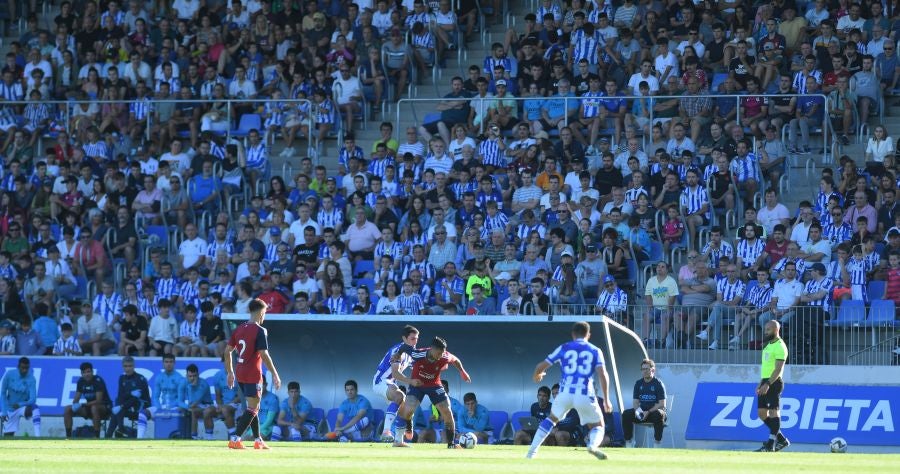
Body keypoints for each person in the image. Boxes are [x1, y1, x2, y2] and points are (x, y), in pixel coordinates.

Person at [526, 321, 611, 461]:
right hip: (585, 393)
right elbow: (603, 374)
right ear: (588, 335)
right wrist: (606, 399)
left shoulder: (564, 347)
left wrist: (537, 375)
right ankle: (592, 445)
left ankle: (531, 453)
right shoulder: (595, 350)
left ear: (573, 334)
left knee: (551, 419)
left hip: (565, 393)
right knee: (598, 425)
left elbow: (540, 366)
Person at [391, 336, 472, 448]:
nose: (440, 356)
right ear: (432, 349)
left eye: (442, 353)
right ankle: (404, 431)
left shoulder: (444, 356)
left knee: (447, 411)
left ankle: (451, 444)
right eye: (439, 353)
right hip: (417, 384)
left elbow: (455, 360)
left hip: (434, 385)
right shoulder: (418, 354)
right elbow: (405, 347)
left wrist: (462, 372)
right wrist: (398, 354)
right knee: (408, 410)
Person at [224, 299, 283, 450]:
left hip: (240, 372)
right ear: (261, 312)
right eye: (265, 313)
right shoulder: (260, 330)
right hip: (252, 373)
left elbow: (227, 351)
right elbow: (264, 354)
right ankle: (235, 439)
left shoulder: (239, 329)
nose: (264, 316)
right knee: (253, 408)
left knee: (253, 407)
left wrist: (230, 372)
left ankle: (258, 440)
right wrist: (275, 373)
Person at [372, 325, 419, 442]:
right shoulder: (397, 351)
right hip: (381, 381)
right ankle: (386, 431)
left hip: (392, 384)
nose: (415, 341)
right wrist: (411, 381)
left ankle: (399, 441)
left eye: (417, 338)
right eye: (412, 338)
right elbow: (396, 373)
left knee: (406, 410)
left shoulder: (412, 354)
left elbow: (417, 370)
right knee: (399, 395)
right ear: (404, 338)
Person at [755, 320, 790, 452]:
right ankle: (781, 439)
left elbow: (778, 369)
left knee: (774, 413)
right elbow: (766, 367)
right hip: (765, 381)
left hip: (774, 383)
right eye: (765, 329)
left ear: (776, 330)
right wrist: (761, 383)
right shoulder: (768, 345)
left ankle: (770, 444)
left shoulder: (780, 346)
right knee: (761, 413)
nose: (765, 332)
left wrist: (768, 384)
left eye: (768, 329)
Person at [621, 358, 667, 448]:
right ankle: (629, 442)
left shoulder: (658, 384)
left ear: (652, 370)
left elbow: (662, 404)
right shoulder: (638, 383)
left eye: (647, 369)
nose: (644, 371)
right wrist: (640, 412)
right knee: (626, 414)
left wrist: (648, 412)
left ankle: (657, 443)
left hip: (654, 413)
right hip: (642, 413)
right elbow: (635, 403)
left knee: (659, 414)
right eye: (643, 369)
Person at [106, 355, 151, 439]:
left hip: (140, 407)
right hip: (127, 407)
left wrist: (121, 406)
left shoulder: (140, 379)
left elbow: (136, 399)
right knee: (118, 402)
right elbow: (120, 395)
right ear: (122, 367)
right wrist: (130, 393)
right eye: (125, 366)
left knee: (118, 409)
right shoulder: (122, 378)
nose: (128, 369)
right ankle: (117, 431)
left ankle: (115, 432)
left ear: (134, 366)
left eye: (130, 366)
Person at [63, 361, 110, 438]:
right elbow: (76, 399)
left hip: (104, 407)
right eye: (84, 372)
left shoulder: (98, 380)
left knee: (94, 408)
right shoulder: (81, 381)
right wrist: (75, 405)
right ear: (81, 374)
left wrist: (83, 404)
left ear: (92, 372)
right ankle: (68, 437)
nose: (87, 374)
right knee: (67, 409)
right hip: (88, 407)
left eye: (88, 372)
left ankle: (96, 437)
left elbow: (99, 400)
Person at [0, 356, 41, 437]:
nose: (25, 370)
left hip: (21, 408)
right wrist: (4, 411)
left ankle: (38, 436)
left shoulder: (31, 379)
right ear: (18, 366)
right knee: (8, 437)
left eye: (27, 368)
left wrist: (20, 404)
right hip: (9, 408)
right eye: (23, 368)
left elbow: (33, 399)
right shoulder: (9, 374)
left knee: (35, 408)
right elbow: (3, 393)